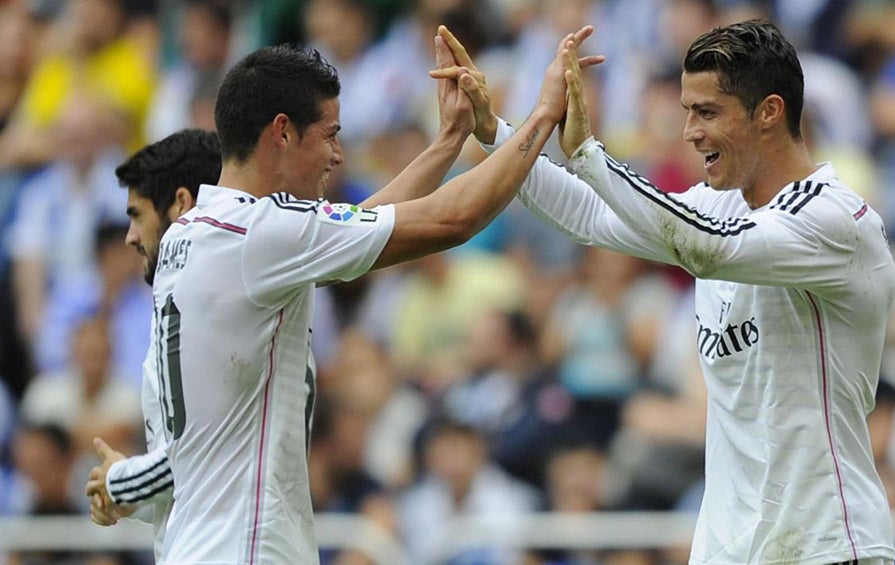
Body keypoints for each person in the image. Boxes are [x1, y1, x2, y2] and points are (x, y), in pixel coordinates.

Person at [435, 18, 895, 565]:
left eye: (707, 112)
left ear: (769, 111)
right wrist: (496, 132)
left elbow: (707, 247)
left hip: (826, 546)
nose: (689, 132)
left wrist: (587, 151)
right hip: (731, 550)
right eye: (687, 112)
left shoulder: (833, 217)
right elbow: (589, 213)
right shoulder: (716, 205)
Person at [131, 28, 601, 564]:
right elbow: (453, 218)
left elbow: (362, 225)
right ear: (282, 133)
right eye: (329, 134)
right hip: (246, 549)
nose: (337, 156)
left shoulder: (199, 233)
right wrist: (542, 115)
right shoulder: (259, 235)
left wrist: (448, 142)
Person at [84, 128, 223, 562]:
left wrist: (120, 481)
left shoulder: (216, 302)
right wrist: (132, 497)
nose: (129, 237)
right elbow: (200, 475)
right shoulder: (182, 300)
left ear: (181, 204)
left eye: (137, 215)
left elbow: (200, 451)